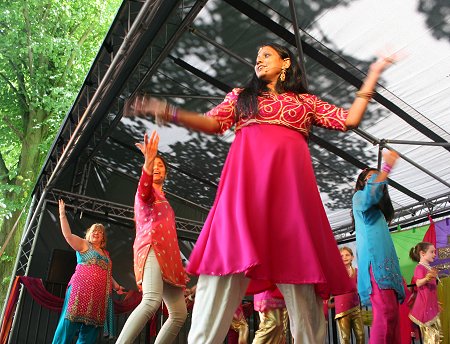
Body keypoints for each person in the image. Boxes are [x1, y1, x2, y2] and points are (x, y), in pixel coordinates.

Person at [125, 42, 396, 343]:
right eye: (256, 58)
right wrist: (170, 111)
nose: (259, 61)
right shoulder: (242, 98)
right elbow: (213, 122)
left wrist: (373, 72)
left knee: (303, 288)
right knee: (221, 276)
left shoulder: (305, 103)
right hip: (242, 200)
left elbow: (349, 119)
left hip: (291, 205)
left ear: (286, 63)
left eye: (266, 55)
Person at [116, 131, 188, 344]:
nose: (157, 167)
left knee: (179, 313)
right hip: (152, 248)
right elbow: (144, 186)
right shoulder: (145, 194)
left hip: (169, 259)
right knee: (151, 300)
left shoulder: (164, 199)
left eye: (160, 165)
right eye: (152, 165)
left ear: (166, 173)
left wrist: (178, 265)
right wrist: (148, 160)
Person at [352, 150, 405, 343]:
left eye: (378, 177)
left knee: (393, 318)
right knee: (385, 315)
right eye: (370, 176)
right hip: (375, 267)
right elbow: (371, 195)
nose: (376, 178)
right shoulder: (359, 198)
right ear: (362, 183)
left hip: (388, 269)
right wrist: (386, 167)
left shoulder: (380, 214)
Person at [52, 200, 124, 344]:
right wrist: (62, 215)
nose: (97, 233)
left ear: (103, 237)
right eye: (94, 231)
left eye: (100, 232)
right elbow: (67, 235)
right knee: (68, 324)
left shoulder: (106, 254)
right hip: (80, 290)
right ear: (89, 234)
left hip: (99, 295)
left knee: (91, 330)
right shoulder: (84, 244)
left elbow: (107, 273)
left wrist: (116, 286)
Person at [409, 242, 442, 343]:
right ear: (422, 253)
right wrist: (427, 278)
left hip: (431, 306)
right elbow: (418, 283)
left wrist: (435, 302)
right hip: (425, 308)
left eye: (434, 252)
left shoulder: (429, 268)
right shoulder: (420, 267)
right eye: (432, 252)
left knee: (436, 336)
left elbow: (431, 291)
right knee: (431, 338)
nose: (434, 254)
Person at [333, 246, 365, 344]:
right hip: (342, 309)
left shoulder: (356, 271)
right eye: (341, 256)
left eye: (347, 255)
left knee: (361, 334)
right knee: (345, 337)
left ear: (352, 257)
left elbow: (362, 286)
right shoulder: (336, 273)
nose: (344, 257)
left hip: (355, 307)